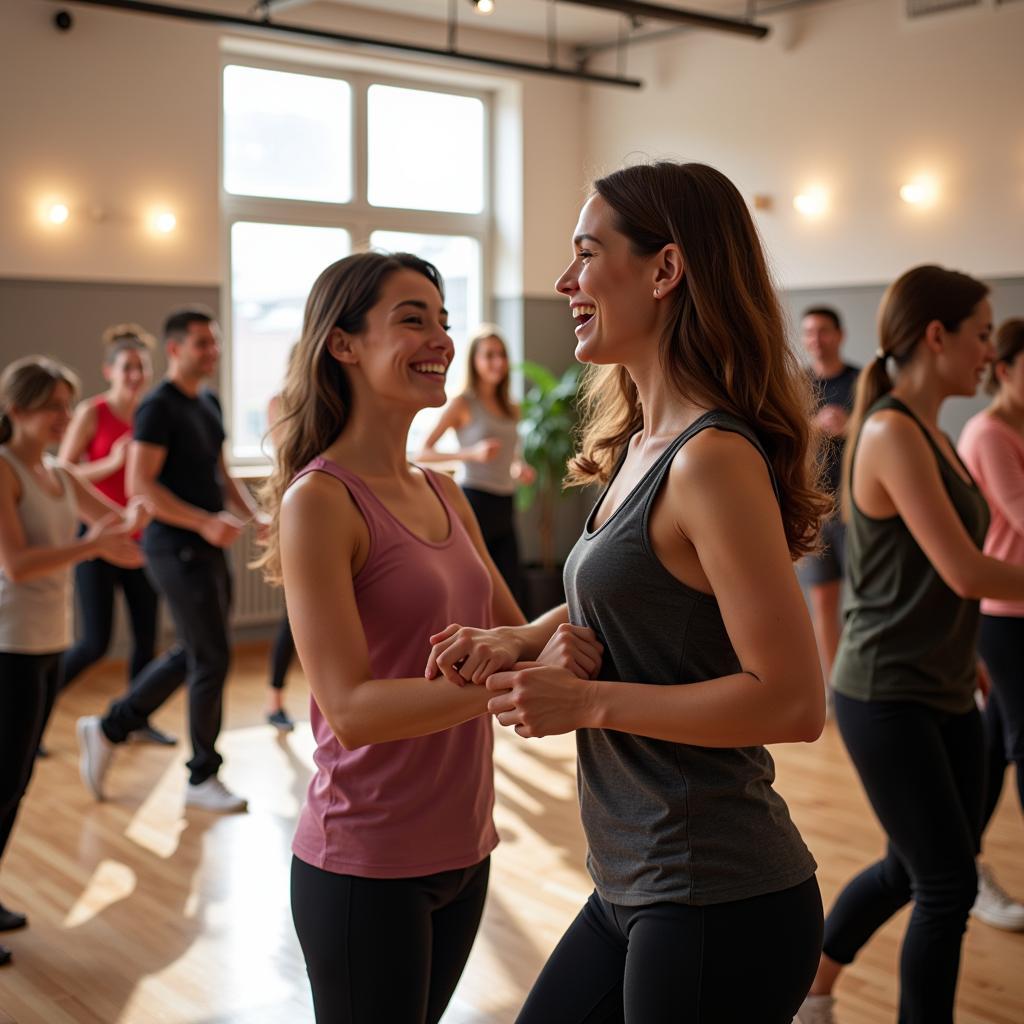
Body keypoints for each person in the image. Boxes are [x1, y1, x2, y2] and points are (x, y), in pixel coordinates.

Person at [426, 161, 829, 1023]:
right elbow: (645, 599)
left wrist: (589, 701)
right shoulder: (642, 444)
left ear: (665, 270)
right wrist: (524, 637)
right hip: (632, 883)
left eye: (585, 254)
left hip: (716, 894)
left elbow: (792, 701)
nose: (565, 283)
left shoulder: (711, 458)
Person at [257, 251, 528, 1023]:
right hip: (365, 862)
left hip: (467, 846)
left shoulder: (444, 491)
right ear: (343, 343)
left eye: (444, 320)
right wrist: (501, 684)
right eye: (414, 319)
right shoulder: (320, 500)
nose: (440, 338)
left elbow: (517, 634)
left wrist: (558, 640)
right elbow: (353, 709)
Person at [798, 267, 1024, 1024]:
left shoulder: (932, 430)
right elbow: (965, 569)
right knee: (947, 885)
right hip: (885, 693)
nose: (990, 353)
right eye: (984, 333)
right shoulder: (893, 430)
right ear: (938, 335)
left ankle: (813, 988)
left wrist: (977, 663)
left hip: (945, 684)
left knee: (912, 868)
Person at [77, 307, 265, 813]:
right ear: (176, 349)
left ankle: (111, 726)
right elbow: (142, 485)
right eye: (203, 343)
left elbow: (222, 475)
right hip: (172, 547)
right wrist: (203, 522)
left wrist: (257, 516)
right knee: (212, 657)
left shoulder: (207, 402)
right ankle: (202, 774)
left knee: (197, 650)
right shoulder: (157, 407)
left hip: (205, 547)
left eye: (216, 342)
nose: (213, 351)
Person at [0, 357, 145, 966]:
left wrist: (139, 518)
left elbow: (114, 519)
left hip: (47, 637)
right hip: (7, 640)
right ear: (18, 407)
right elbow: (18, 564)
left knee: (18, 777)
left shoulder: (58, 471)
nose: (67, 416)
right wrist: (96, 546)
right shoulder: (5, 469)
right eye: (56, 405)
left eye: (68, 404)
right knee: (3, 777)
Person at [56, 324, 175, 746]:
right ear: (110, 371)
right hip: (99, 538)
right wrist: (110, 463)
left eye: (141, 368)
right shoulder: (93, 412)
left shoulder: (152, 414)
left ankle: (135, 720)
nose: (135, 375)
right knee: (95, 643)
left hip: (143, 539)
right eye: (127, 368)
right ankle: (35, 710)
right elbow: (62, 474)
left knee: (148, 639)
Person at [958, 316, 1024, 932]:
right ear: (1004, 370)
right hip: (1005, 615)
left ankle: (964, 862)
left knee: (996, 744)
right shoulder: (988, 432)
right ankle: (962, 866)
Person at [417, 324, 534, 598]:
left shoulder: (511, 406)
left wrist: (519, 467)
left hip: (505, 502)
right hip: (474, 501)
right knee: (473, 585)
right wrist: (472, 453)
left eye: (502, 355)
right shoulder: (462, 403)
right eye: (489, 355)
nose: (498, 362)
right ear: (474, 361)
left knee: (509, 586)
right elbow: (424, 452)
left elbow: (511, 452)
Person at [798, 307, 860, 685]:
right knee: (822, 602)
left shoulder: (863, 380)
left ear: (839, 334)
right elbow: (780, 434)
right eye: (809, 333)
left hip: (859, 510)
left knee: (867, 602)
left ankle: (861, 683)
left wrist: (850, 424)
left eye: (823, 331)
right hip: (815, 511)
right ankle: (836, 689)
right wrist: (813, 425)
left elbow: (883, 425)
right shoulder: (797, 385)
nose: (816, 340)